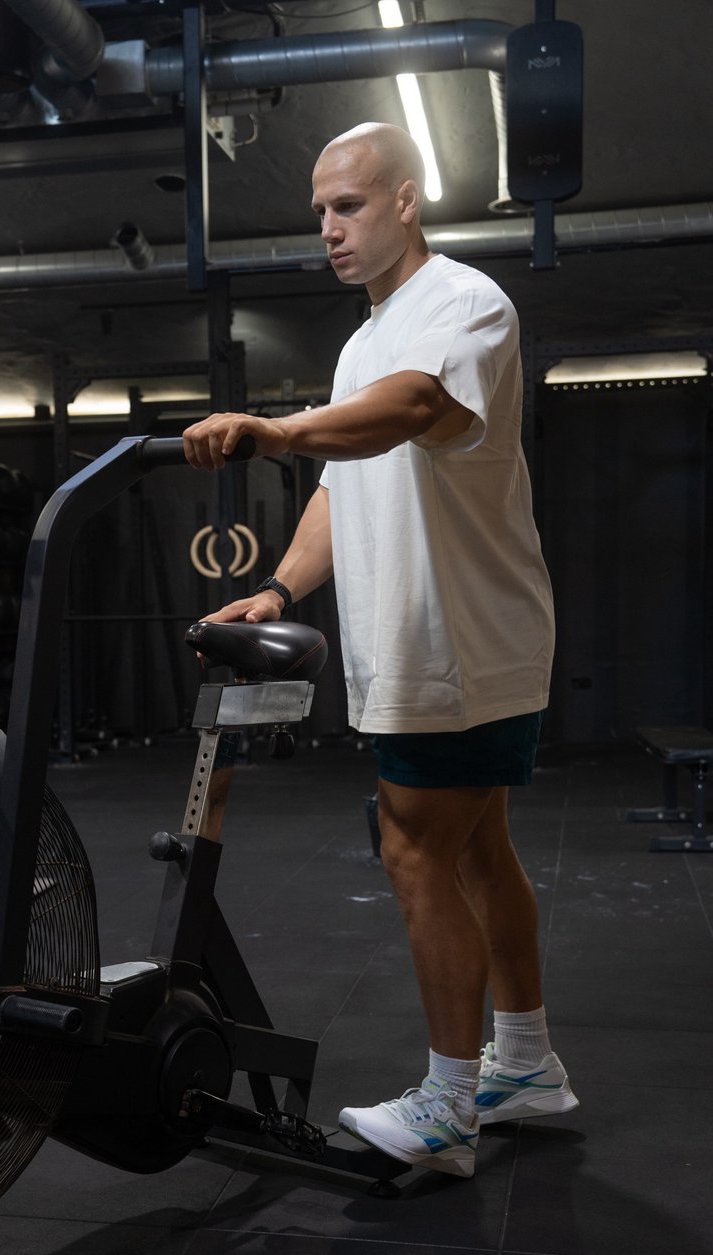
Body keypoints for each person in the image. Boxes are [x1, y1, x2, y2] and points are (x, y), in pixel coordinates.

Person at [182, 122, 578, 1179]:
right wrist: (273, 586)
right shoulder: (362, 342)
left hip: (461, 642)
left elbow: (408, 412)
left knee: (414, 851)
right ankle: (525, 1060)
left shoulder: (463, 306)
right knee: (478, 849)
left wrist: (271, 427)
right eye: (319, 209)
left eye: (348, 205)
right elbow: (340, 486)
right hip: (423, 643)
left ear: (406, 200)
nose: (328, 228)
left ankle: (450, 1105)